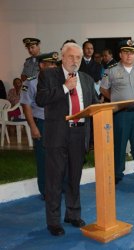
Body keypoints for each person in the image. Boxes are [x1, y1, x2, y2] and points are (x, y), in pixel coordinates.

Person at [36, 42, 98, 236]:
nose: (75, 61)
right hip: (57, 135)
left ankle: (73, 213)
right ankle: (53, 221)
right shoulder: (49, 75)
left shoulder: (86, 79)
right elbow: (40, 99)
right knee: (54, 180)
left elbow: (95, 105)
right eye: (71, 57)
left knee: (74, 177)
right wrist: (64, 87)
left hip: (79, 134)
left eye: (78, 58)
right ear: (62, 57)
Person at [100, 39, 134, 185]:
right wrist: (116, 100)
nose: (129, 55)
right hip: (120, 113)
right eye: (126, 52)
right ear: (120, 54)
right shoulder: (111, 71)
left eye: (132, 53)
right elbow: (103, 89)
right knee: (119, 143)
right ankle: (117, 173)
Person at [20, 51, 59, 200]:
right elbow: (27, 106)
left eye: (55, 64)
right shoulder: (30, 82)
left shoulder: (60, 80)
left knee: (59, 157)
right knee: (44, 158)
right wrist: (33, 127)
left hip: (58, 123)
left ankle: (59, 187)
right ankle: (46, 190)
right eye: (50, 64)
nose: (54, 67)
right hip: (42, 123)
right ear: (42, 65)